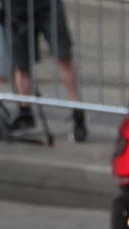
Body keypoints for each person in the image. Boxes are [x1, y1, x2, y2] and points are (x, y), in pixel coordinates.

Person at [6, 0, 87, 142]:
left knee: (63, 57)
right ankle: (25, 112)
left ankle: (77, 111)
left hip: (47, 6)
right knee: (21, 64)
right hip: (17, 9)